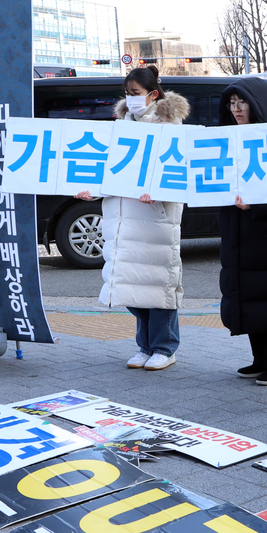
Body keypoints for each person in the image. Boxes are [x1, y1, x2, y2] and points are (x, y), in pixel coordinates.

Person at [89, 66, 188, 371]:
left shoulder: (170, 127)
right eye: (127, 94)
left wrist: (160, 192)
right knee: (134, 286)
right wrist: (90, 190)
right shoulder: (118, 127)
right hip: (124, 218)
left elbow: (180, 174)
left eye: (135, 94)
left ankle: (164, 346)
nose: (130, 100)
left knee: (158, 285)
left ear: (153, 95)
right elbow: (105, 170)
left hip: (155, 219)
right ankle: (145, 346)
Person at [216, 77, 267, 386]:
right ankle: (260, 359)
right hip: (237, 229)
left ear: (258, 104)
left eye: (243, 103)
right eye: (232, 103)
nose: (237, 109)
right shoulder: (225, 139)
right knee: (248, 293)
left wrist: (255, 206)